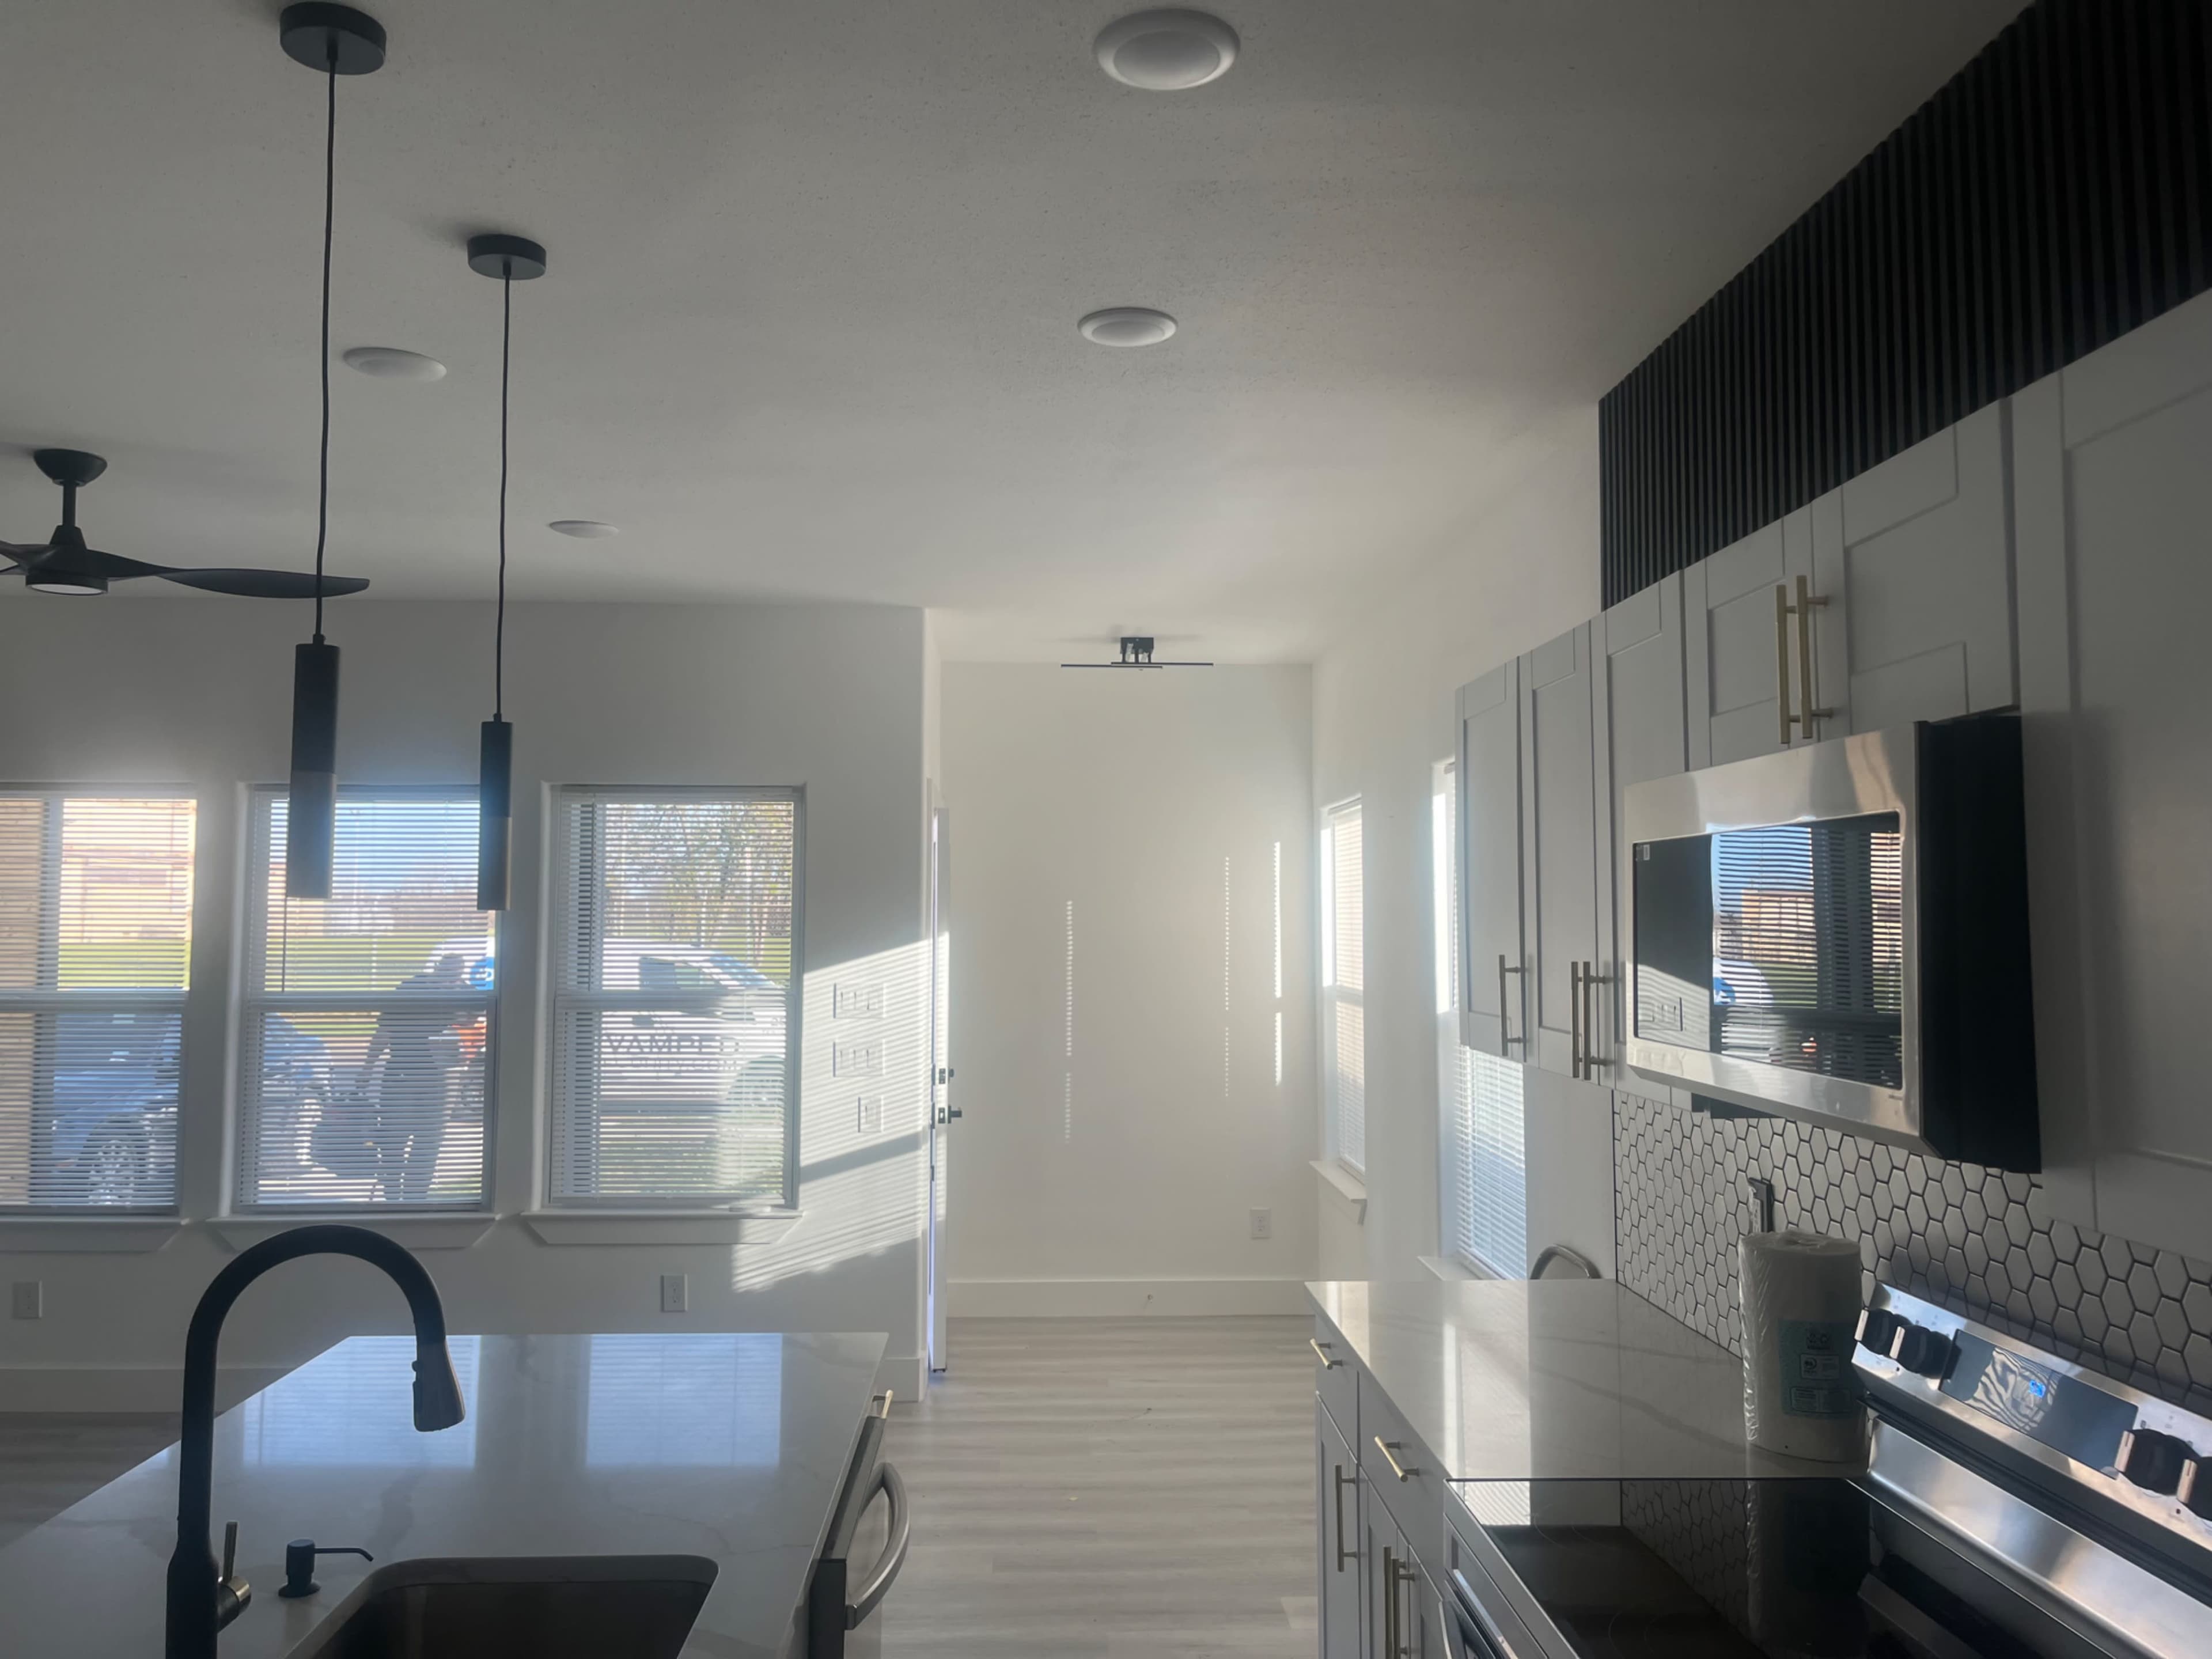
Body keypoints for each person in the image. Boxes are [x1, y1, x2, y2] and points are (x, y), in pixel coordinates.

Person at [362, 952, 468, 1203]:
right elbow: (385, 1030)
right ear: (438, 969)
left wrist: (457, 996)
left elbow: (470, 1019)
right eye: (449, 972)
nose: (452, 978)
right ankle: (393, 1198)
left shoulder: (458, 993)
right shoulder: (411, 988)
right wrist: (367, 1069)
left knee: (428, 1141)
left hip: (437, 1078)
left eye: (456, 975)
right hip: (402, 1074)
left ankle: (414, 1199)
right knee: (394, 1140)